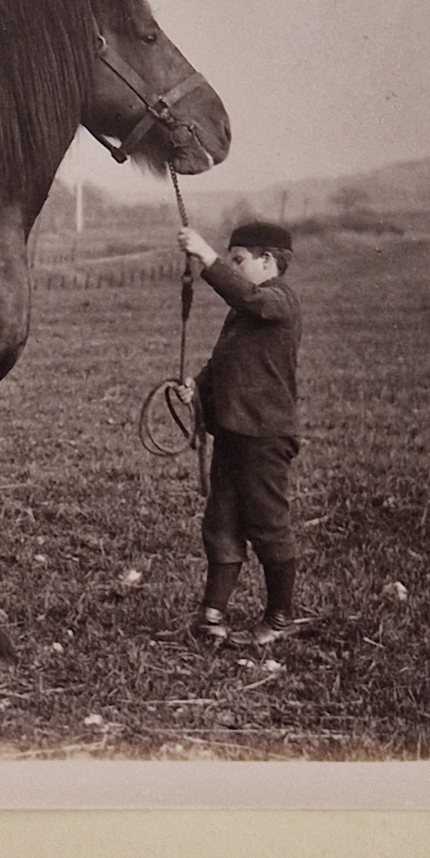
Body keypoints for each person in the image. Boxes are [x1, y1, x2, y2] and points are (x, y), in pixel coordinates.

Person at [175, 220, 304, 646]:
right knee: (222, 522)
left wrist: (208, 259)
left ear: (268, 261)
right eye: (229, 260)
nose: (233, 267)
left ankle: (280, 617)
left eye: (239, 260)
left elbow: (248, 296)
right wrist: (196, 385)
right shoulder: (244, 312)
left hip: (264, 438)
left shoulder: (279, 302)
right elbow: (223, 363)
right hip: (233, 432)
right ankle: (212, 614)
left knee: (268, 524)